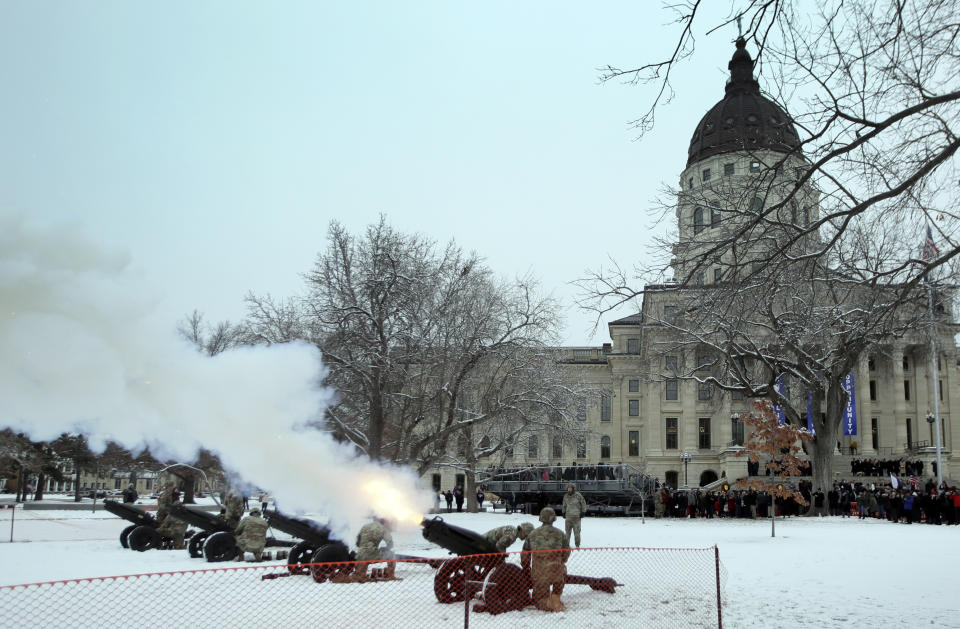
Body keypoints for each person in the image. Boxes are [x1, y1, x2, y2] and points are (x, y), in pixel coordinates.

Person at [521, 507, 569, 612]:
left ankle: (549, 604)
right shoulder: (560, 534)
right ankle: (556, 595)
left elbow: (525, 555)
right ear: (553, 519)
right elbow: (566, 553)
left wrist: (525, 567)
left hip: (540, 573)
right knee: (563, 569)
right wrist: (561, 562)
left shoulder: (532, 534)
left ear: (541, 518)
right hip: (556, 571)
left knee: (538, 600)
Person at [335, 517, 396, 582]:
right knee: (391, 555)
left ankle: (358, 575)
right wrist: (385, 549)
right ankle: (391, 575)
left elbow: (358, 542)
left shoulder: (365, 526)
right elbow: (390, 544)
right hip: (371, 553)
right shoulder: (383, 529)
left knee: (360, 573)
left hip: (360, 555)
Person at [561, 482, 587, 548]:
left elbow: (583, 503)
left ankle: (577, 545)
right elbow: (564, 505)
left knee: (577, 532)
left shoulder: (578, 495)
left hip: (576, 517)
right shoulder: (566, 496)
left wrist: (583, 512)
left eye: (570, 488)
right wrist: (563, 512)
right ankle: (566, 545)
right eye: (568, 488)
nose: (569, 490)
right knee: (567, 533)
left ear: (573, 488)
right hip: (568, 517)